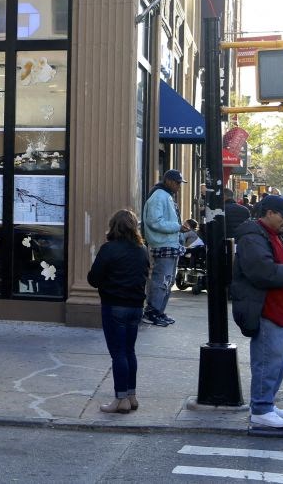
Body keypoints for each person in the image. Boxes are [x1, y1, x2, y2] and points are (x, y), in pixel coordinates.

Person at [230, 194, 283, 428]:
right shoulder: (253, 237)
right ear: (269, 213)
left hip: (281, 312)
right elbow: (264, 272)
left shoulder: (271, 235)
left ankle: (266, 402)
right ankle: (260, 408)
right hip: (269, 311)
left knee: (278, 362)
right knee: (268, 362)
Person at [87, 209, 150, 414]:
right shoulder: (142, 250)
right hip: (135, 306)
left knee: (118, 354)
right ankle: (131, 396)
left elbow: (93, 279)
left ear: (113, 226)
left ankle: (120, 399)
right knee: (130, 351)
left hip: (114, 305)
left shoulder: (109, 249)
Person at [141, 169, 186, 327]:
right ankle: (152, 312)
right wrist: (177, 227)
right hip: (163, 244)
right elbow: (155, 221)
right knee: (162, 280)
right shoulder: (159, 196)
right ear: (168, 181)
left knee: (167, 280)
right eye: (177, 182)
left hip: (169, 244)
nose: (179, 186)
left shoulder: (165, 196)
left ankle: (158, 311)